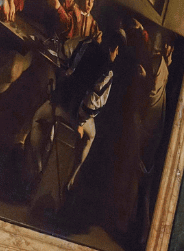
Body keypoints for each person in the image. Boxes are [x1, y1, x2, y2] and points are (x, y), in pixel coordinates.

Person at [26, 32, 123, 189]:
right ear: (114, 49)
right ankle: (70, 181)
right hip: (75, 116)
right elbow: (92, 106)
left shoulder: (85, 46)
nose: (116, 54)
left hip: (59, 105)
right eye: (117, 51)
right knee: (91, 136)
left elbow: (67, 60)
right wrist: (78, 122)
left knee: (37, 119)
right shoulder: (107, 72)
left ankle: (38, 168)